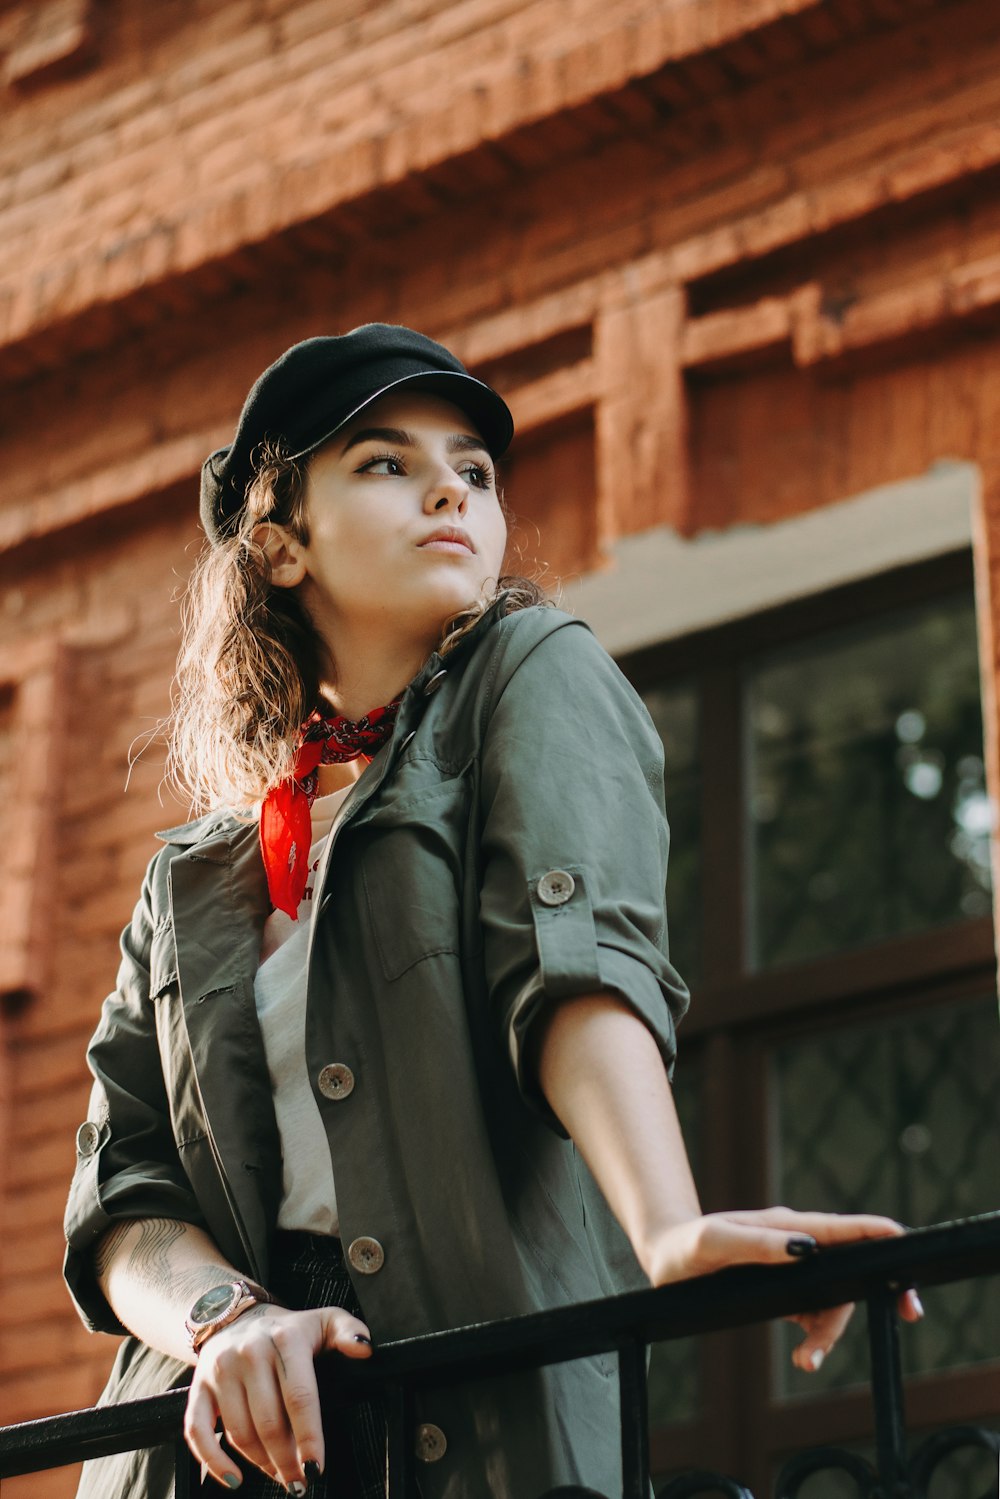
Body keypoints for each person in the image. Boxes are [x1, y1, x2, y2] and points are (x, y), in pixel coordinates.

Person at [63, 324, 922, 1499]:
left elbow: (571, 965)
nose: (447, 492)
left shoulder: (530, 671)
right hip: (204, 1459)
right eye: (382, 463)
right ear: (277, 547)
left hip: (466, 1432)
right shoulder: (186, 878)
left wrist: (668, 1227)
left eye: (471, 470)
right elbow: (123, 1189)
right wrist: (225, 1319)